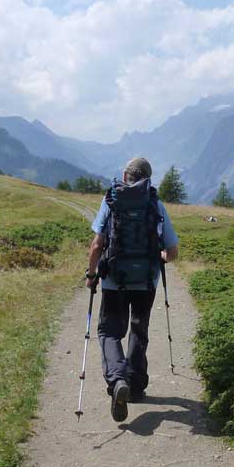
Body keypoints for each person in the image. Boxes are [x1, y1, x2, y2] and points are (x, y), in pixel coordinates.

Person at [86, 157, 179, 422]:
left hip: (114, 281)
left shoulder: (111, 201)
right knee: (139, 330)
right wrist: (159, 257)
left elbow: (96, 245)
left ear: (125, 176)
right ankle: (135, 386)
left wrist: (91, 275)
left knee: (109, 331)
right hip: (146, 282)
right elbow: (172, 251)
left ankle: (117, 381)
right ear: (148, 179)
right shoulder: (155, 204)